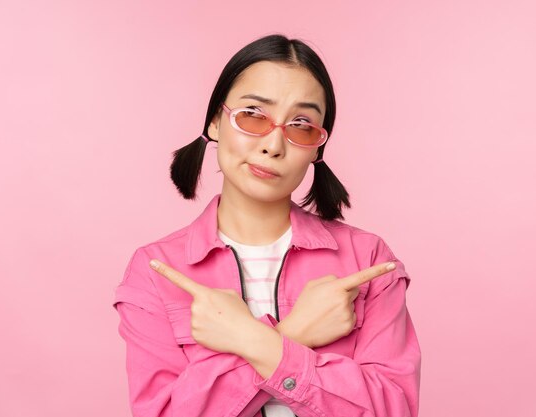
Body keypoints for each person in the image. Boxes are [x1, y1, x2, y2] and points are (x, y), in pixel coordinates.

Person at [112, 33, 421, 417]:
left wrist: (255, 343)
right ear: (214, 123)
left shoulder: (367, 261)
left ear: (316, 149)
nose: (274, 145)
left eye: (301, 125)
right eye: (253, 115)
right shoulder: (158, 271)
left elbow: (393, 410)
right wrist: (295, 334)